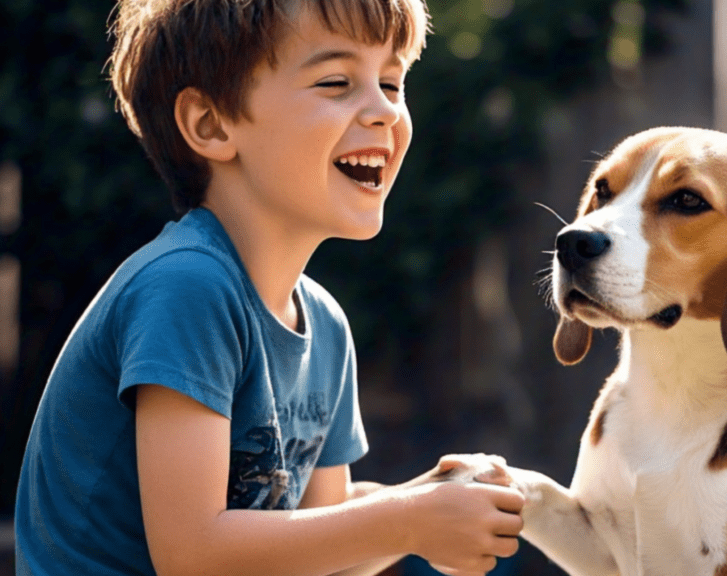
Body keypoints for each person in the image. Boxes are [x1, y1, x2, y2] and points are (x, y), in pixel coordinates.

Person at [14, 0, 525, 575]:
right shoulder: (187, 288)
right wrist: (408, 519)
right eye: (337, 81)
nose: (383, 109)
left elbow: (322, 547)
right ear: (211, 124)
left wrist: (430, 502)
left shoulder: (325, 326)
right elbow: (194, 554)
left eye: (391, 82)